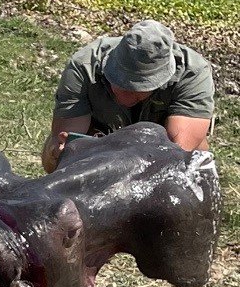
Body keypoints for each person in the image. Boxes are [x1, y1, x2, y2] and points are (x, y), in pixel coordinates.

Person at [42, 20, 214, 173]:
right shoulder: (84, 65)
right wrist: (66, 149)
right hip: (99, 137)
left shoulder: (193, 72)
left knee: (194, 163)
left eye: (136, 88)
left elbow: (177, 151)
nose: (123, 93)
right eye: (118, 80)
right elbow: (69, 136)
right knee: (53, 155)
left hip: (157, 148)